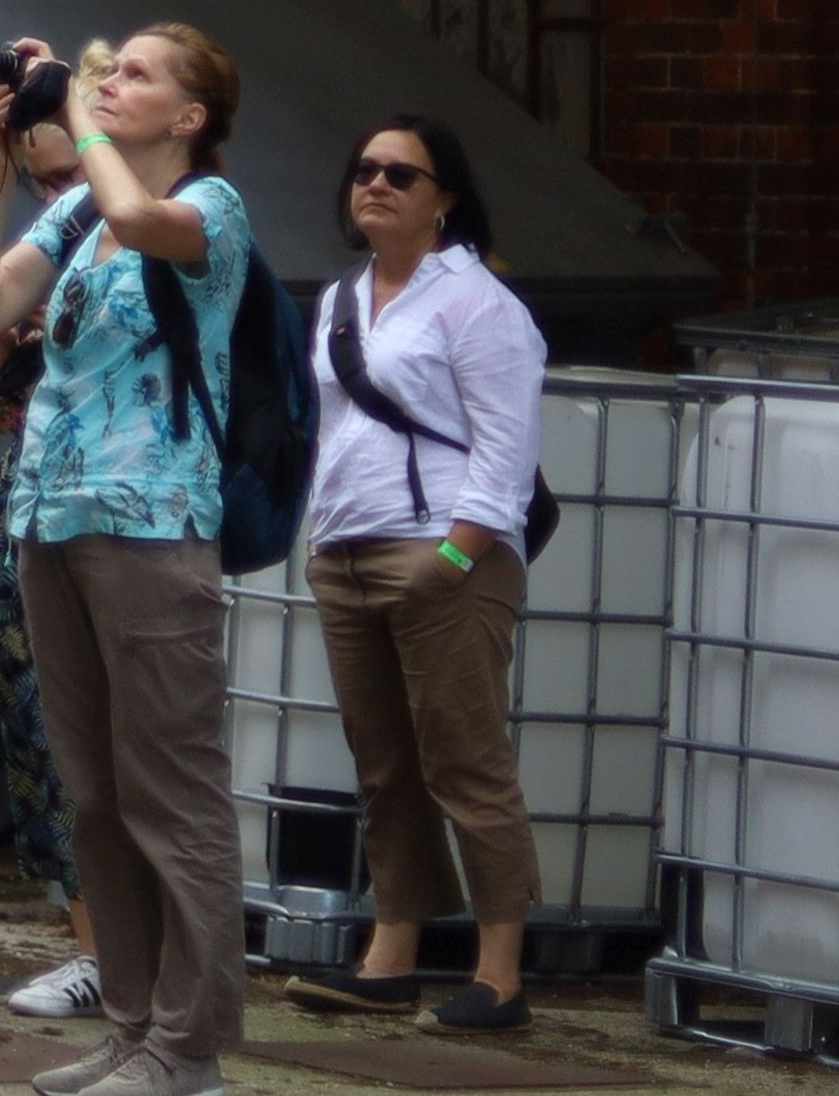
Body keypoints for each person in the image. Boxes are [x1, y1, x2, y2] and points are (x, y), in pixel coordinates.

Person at [0, 21, 256, 1096]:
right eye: (105, 70)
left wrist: (70, 101)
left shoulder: (208, 210)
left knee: (174, 792)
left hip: (152, 520)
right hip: (51, 515)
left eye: (135, 76)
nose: (111, 84)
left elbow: (135, 208)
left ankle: (189, 1046)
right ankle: (131, 1028)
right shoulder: (78, 211)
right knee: (97, 796)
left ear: (191, 116)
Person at [293, 109, 540, 1035]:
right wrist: (320, 535)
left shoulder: (478, 303)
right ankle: (391, 954)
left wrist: (452, 557)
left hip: (442, 554)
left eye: (402, 174)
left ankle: (500, 973)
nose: (378, 185)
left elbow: (507, 453)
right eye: (365, 170)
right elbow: (332, 428)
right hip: (348, 554)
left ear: (445, 202)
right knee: (385, 767)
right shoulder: (343, 298)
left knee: (467, 764)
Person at [0, 55, 109, 1025]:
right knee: (36, 729)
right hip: (19, 496)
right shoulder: (51, 230)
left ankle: (123, 954)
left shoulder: (142, 224)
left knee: (96, 740)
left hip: (97, 512)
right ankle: (91, 942)